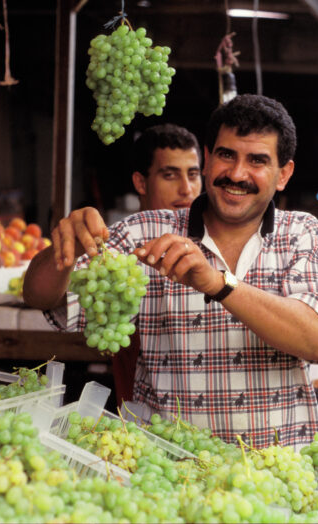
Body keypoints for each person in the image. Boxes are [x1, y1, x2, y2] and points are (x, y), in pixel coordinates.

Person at [24, 94, 318, 448]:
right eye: (226, 155)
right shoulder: (142, 231)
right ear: (206, 159)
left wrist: (218, 283)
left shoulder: (301, 233)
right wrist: (64, 250)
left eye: (257, 161)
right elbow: (41, 297)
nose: (236, 173)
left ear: (283, 174)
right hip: (169, 468)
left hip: (277, 473)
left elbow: (316, 341)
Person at [112, 124, 203, 404]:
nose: (186, 189)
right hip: (142, 421)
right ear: (141, 183)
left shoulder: (207, 252)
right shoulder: (120, 254)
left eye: (193, 175)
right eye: (170, 175)